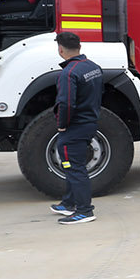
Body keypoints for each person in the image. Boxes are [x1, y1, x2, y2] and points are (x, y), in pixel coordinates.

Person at [51, 31, 103, 224]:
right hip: (89, 122)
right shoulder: (93, 67)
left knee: (74, 167)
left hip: (75, 127)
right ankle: (68, 203)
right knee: (75, 165)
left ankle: (84, 211)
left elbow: (66, 103)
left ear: (60, 50)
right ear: (79, 47)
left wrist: (62, 125)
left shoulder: (69, 73)